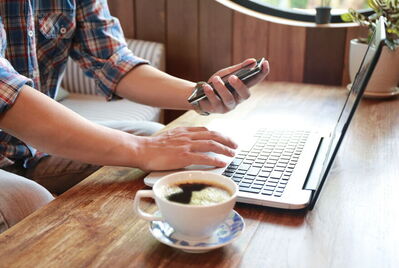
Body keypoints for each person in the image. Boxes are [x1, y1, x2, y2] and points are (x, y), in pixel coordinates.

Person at [0, 0, 270, 233]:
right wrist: (142, 150)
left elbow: (115, 62)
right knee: (31, 201)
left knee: (158, 137)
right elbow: (8, 97)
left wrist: (201, 95)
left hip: (30, 151)